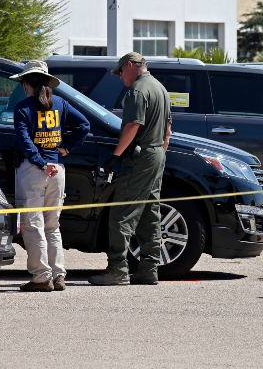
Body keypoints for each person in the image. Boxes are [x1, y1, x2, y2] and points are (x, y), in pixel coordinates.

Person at [88, 52, 172, 286]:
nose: (121, 77)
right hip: (156, 154)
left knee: (121, 213)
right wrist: (158, 155)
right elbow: (167, 132)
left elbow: (133, 124)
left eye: (121, 72)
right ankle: (148, 269)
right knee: (149, 214)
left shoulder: (137, 90)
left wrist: (115, 156)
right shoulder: (160, 89)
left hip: (141, 155)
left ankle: (117, 269)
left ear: (130, 66)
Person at [10, 60, 90, 292]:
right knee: (52, 226)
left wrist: (41, 163)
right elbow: (84, 125)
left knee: (32, 225)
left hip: (33, 171)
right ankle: (58, 276)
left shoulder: (23, 108)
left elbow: (25, 142)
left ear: (26, 83)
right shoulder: (61, 104)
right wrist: (64, 149)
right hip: (58, 170)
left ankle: (41, 277)